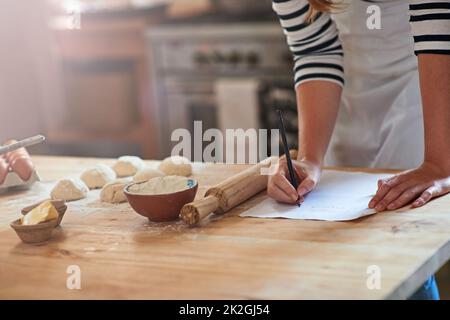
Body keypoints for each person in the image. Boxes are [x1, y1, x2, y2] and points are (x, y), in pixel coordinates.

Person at [268, 0, 449, 299]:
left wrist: (439, 162)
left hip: (423, 88)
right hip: (345, 99)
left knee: (396, 247)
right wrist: (310, 158)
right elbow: (316, 50)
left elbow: (439, 32)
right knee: (347, 250)